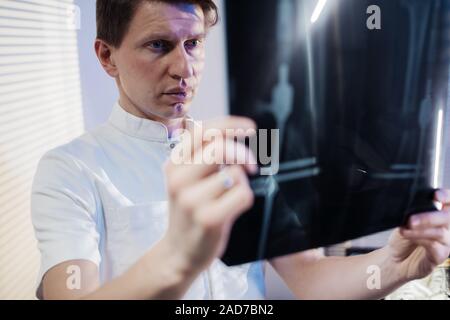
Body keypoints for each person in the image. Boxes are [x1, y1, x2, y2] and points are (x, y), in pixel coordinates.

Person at [31, 0, 450, 300]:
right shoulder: (70, 169)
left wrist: (395, 266)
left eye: (193, 43)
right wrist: (177, 256)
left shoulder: (242, 154)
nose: (184, 68)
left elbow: (312, 281)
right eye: (158, 44)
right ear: (107, 56)